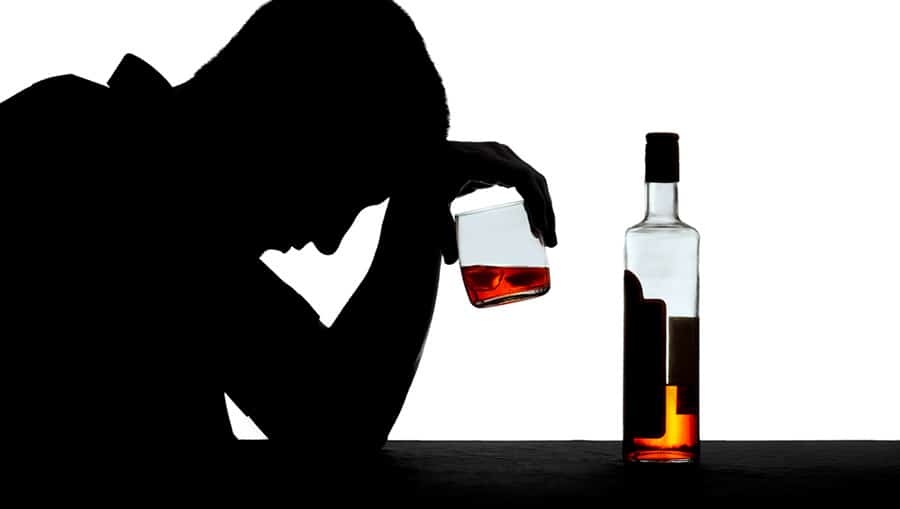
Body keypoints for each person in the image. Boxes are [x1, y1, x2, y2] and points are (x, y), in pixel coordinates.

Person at [1, 1, 556, 446]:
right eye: (346, 193)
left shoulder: (123, 169)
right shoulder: (112, 176)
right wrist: (415, 203)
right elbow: (337, 423)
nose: (330, 240)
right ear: (296, 128)